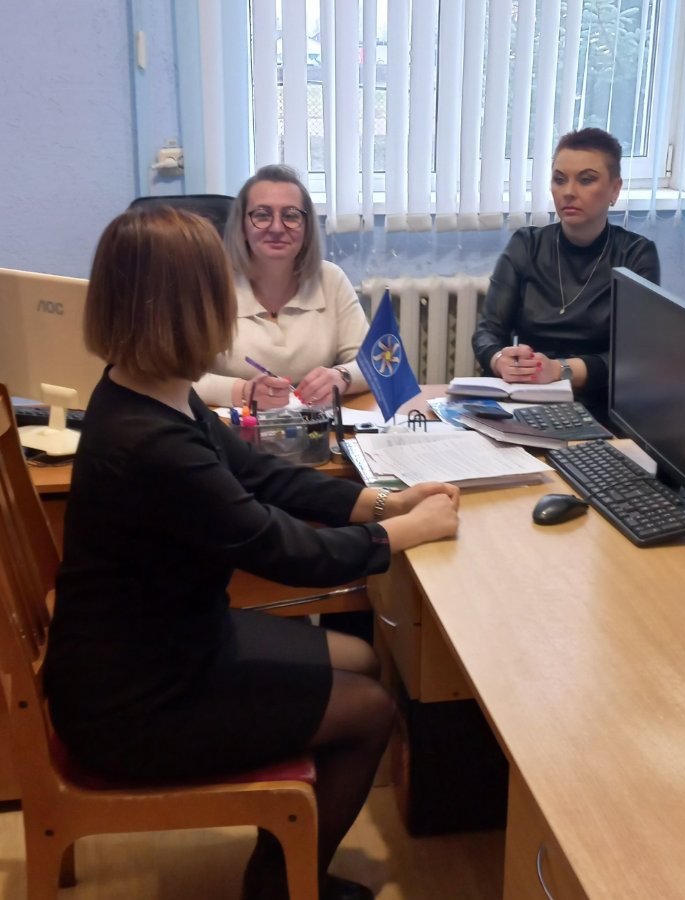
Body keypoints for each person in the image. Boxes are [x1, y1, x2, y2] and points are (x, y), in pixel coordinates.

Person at [43, 206, 460, 900]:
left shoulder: (147, 389)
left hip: (160, 646)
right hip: (135, 701)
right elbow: (281, 549)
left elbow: (262, 474)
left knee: (361, 660)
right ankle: (278, 884)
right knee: (370, 711)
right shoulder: (151, 443)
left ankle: (284, 857)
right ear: (188, 309)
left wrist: (383, 503)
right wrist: (406, 534)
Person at [471, 127, 661, 419]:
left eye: (586, 180)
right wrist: (499, 360)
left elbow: (635, 358)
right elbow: (487, 331)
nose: (568, 191)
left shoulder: (636, 255)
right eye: (559, 179)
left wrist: (560, 370)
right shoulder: (526, 245)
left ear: (614, 189)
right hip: (526, 398)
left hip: (601, 406)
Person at [194, 164, 369, 411]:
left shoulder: (331, 279)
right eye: (262, 215)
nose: (277, 228)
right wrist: (242, 391)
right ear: (241, 227)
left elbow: (372, 365)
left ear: (307, 228)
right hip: (231, 425)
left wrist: (342, 376)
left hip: (315, 424)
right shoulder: (210, 284)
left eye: (291, 215)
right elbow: (172, 378)